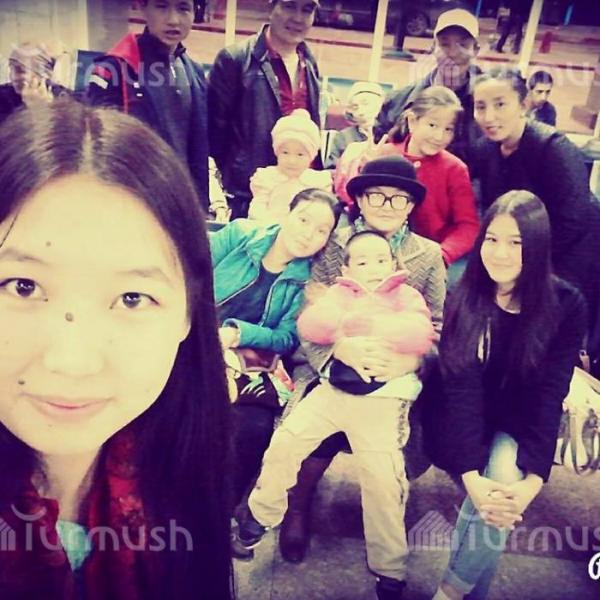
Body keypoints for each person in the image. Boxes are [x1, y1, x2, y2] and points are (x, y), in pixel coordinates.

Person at [0, 101, 232, 598]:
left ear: (188, 315)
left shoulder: (180, 478)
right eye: (22, 286)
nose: (73, 362)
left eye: (131, 298)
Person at [236, 230, 434, 600]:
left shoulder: (405, 295)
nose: (373, 268)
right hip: (333, 390)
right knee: (287, 440)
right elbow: (311, 325)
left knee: (383, 481)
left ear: (393, 263)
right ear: (347, 269)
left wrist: (361, 325)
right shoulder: (339, 294)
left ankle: (389, 569)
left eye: (381, 259)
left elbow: (420, 333)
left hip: (383, 399)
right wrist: (341, 326)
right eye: (363, 261)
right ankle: (261, 515)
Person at [272, 156, 446, 567]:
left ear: (410, 205)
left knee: (387, 447)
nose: (387, 205)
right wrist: (337, 352)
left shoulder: (427, 255)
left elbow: (439, 327)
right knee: (318, 417)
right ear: (361, 200)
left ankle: (387, 538)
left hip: (396, 370)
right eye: (376, 195)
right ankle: (297, 504)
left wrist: (409, 363)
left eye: (398, 198)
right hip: (333, 360)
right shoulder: (335, 246)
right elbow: (310, 314)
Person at [427, 190, 587, 599]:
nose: (500, 253)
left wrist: (534, 480)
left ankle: (450, 591)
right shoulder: (464, 294)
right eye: (492, 239)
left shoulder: (566, 304)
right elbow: (461, 391)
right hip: (464, 419)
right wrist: (469, 475)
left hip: (519, 422)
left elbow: (550, 394)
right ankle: (459, 593)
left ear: (537, 246)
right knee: (491, 497)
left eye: (516, 242)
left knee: (500, 488)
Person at [210, 188, 341, 509]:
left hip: (244, 360)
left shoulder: (305, 280)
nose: (308, 234)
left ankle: (221, 512)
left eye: (321, 230)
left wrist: (237, 333)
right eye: (304, 220)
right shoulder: (239, 235)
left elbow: (286, 338)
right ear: (287, 213)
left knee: (253, 428)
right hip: (191, 339)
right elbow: (190, 275)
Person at [471, 67, 600, 372]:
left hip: (571, 252)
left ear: (523, 103)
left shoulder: (553, 148)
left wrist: (531, 268)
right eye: (481, 106)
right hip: (520, 249)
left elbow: (573, 220)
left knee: (548, 338)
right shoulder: (485, 149)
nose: (489, 116)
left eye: (500, 104)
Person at [335, 85, 479, 283]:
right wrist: (365, 170)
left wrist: (442, 254)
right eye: (432, 125)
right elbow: (354, 203)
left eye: (448, 129)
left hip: (430, 254)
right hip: (375, 252)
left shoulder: (454, 168)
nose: (439, 136)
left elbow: (468, 225)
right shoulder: (384, 154)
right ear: (412, 121)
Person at [87, 0, 210, 209]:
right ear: (143, 8)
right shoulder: (115, 68)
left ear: (195, 12)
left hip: (181, 201)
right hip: (133, 202)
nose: (173, 20)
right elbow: (97, 148)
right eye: (162, 6)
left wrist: (200, 207)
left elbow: (198, 150)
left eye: (183, 8)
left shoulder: (194, 71)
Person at [207, 0, 322, 219]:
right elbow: (214, 138)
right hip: (248, 198)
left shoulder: (309, 63)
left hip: (299, 203)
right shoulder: (235, 60)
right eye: (289, 6)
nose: (298, 18)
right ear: (271, 7)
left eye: (307, 10)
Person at [373, 8, 482, 165]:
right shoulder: (398, 101)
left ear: (475, 50)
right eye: (445, 44)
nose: (453, 53)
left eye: (463, 45)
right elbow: (377, 151)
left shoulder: (487, 107)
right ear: (433, 48)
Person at [248, 109, 332, 223]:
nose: (292, 161)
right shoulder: (267, 178)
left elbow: (322, 215)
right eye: (285, 152)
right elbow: (257, 208)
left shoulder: (318, 182)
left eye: (300, 154)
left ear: (311, 157)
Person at [323, 81, 385, 169]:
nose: (361, 111)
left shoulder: (391, 136)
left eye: (365, 103)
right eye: (355, 107)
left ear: (380, 105)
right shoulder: (343, 137)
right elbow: (331, 169)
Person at [0, 43, 62, 126]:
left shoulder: (65, 100)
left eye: (21, 70)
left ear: (43, 73)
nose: (13, 77)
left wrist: (40, 109)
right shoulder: (2, 96)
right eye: (11, 68)